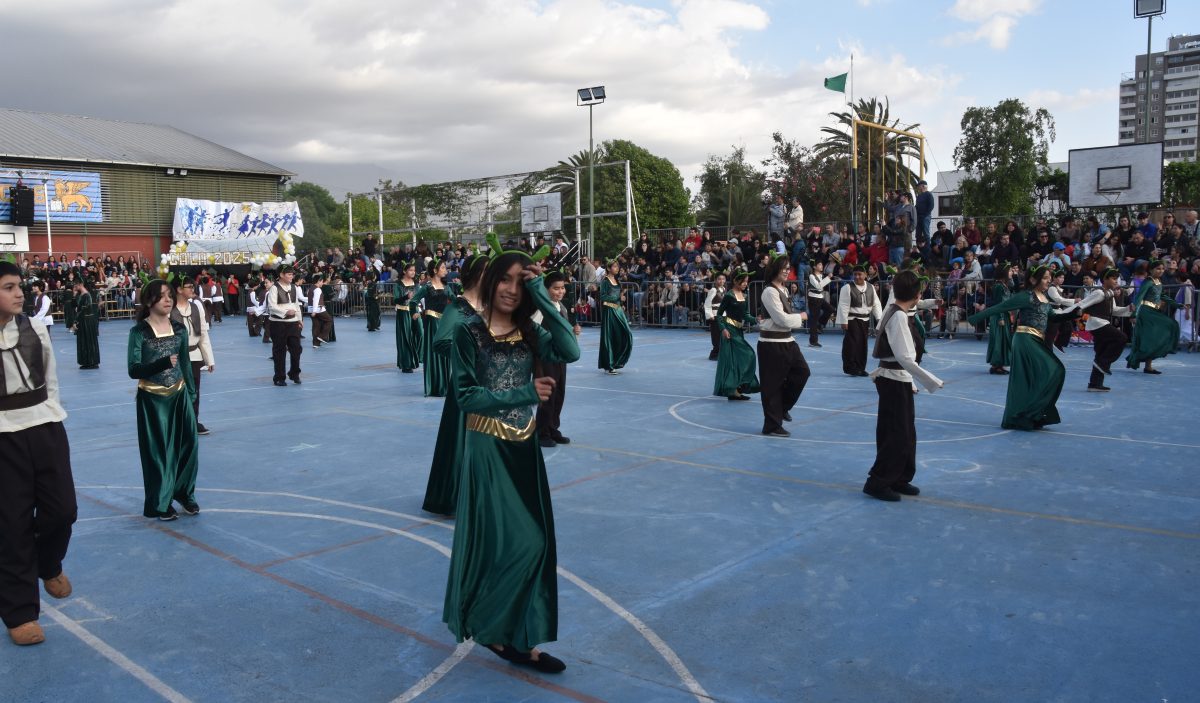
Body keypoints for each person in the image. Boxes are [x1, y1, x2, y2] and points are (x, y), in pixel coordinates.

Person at [442, 250, 580, 674]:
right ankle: (498, 629)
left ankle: (515, 638)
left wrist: (541, 294)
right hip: (486, 449)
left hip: (523, 448)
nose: (512, 289)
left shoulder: (527, 330)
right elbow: (465, 397)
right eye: (507, 279)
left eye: (522, 282)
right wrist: (522, 394)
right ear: (491, 280)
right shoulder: (467, 331)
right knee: (520, 544)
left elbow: (570, 350)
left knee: (535, 545)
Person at [0, 261, 76, 646]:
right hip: (2, 436)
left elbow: (52, 380)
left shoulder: (36, 329)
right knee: (11, 526)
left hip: (44, 425)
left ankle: (48, 564)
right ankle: (20, 613)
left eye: (19, 286)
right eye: (9, 287)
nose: (19, 294)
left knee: (63, 509)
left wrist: (53, 419)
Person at [862, 270, 944, 502]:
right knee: (896, 432)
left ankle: (899, 477)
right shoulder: (897, 316)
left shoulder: (894, 310)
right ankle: (878, 481)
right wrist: (930, 380)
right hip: (893, 378)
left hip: (896, 378)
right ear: (918, 295)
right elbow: (906, 357)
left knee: (904, 431)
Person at [967, 267, 1078, 430]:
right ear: (1033, 280)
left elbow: (1053, 317)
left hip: (1036, 339)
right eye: (1046, 278)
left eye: (1049, 278)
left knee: (1037, 376)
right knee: (1054, 369)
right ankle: (1023, 415)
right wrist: (974, 318)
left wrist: (1075, 313)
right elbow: (1000, 307)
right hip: (1025, 339)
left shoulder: (1044, 298)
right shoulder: (1026, 296)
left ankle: (1032, 414)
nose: (1049, 280)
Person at [127, 279, 199, 521]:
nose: (168, 300)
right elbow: (133, 370)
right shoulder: (139, 332)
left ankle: (184, 492)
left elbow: (186, 365)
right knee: (160, 451)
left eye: (170, 295)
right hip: (153, 400)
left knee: (189, 445)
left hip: (179, 394)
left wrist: (190, 393)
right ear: (149, 301)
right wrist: (161, 362)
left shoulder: (179, 329)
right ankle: (160, 501)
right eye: (162, 296)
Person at [422, 254, 488, 516]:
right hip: (467, 384)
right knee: (464, 441)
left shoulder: (493, 304)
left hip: (492, 384)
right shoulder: (458, 308)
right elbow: (440, 342)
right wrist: (472, 351)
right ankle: (458, 495)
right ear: (476, 276)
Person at [757, 255, 810, 437]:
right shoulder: (770, 292)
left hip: (787, 340)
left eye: (789, 268)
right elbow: (781, 319)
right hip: (771, 343)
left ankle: (782, 408)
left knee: (802, 372)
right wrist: (801, 317)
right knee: (772, 385)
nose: (788, 271)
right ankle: (772, 425)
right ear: (775, 269)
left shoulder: (784, 290)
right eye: (784, 268)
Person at [534, 269, 580, 447]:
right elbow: (533, 331)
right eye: (556, 288)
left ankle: (553, 427)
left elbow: (564, 332)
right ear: (546, 290)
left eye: (562, 288)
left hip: (560, 357)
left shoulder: (562, 308)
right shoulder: (540, 309)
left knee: (559, 392)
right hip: (546, 357)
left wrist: (573, 331)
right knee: (547, 394)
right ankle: (542, 431)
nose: (560, 292)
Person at [1126, 260, 1190, 374]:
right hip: (1146, 312)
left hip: (1154, 311)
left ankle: (1148, 366)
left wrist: (1177, 304)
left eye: (1162, 269)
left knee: (1155, 336)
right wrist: (1134, 314)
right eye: (1158, 269)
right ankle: (1147, 365)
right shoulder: (1148, 281)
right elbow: (1139, 297)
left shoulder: (1158, 281)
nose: (1161, 271)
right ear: (1151, 270)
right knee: (1163, 330)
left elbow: (1163, 295)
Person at [170, 278, 215, 436]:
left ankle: (193, 421)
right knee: (175, 390)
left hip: (194, 356)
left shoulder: (197, 307)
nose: (192, 289)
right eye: (189, 287)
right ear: (179, 289)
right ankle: (177, 423)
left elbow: (203, 334)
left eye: (193, 286)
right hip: (175, 357)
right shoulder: (169, 308)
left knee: (194, 390)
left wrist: (209, 359)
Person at [1076, 269, 1133, 392]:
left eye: (1116, 278)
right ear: (1105, 279)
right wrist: (1066, 312)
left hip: (1101, 323)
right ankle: (1103, 363)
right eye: (1113, 278)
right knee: (1121, 338)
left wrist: (1129, 309)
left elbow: (1114, 310)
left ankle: (1095, 384)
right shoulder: (1099, 293)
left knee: (1101, 351)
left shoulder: (1109, 294)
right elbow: (1083, 304)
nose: (1116, 281)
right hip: (1097, 323)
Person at [410, 260, 457, 397]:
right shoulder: (427, 287)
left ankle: (445, 386)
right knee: (433, 353)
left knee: (445, 352)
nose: (445, 270)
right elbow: (414, 301)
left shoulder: (446, 287)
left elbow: (455, 302)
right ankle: (434, 387)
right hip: (431, 323)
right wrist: (414, 312)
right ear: (435, 270)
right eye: (443, 268)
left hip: (445, 323)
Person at [713, 271, 759, 401]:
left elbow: (745, 315)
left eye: (747, 281)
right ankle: (734, 389)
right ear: (736, 281)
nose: (745, 284)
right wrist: (723, 329)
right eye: (743, 281)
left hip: (739, 331)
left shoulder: (744, 295)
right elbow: (719, 314)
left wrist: (756, 320)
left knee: (737, 361)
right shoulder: (729, 296)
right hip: (730, 331)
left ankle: (734, 390)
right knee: (749, 354)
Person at [835, 264, 882, 376]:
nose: (857, 277)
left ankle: (861, 367)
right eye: (855, 274)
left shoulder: (870, 287)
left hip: (865, 320)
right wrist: (844, 321)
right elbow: (843, 305)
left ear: (865, 275)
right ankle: (850, 367)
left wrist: (879, 319)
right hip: (852, 319)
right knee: (852, 344)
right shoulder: (847, 288)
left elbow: (876, 304)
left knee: (863, 344)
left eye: (859, 274)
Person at [267, 266, 303, 386]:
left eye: (292, 274)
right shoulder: (274, 288)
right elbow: (271, 306)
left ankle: (294, 373)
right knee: (279, 351)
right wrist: (285, 312)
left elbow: (296, 305)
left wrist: (299, 318)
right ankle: (279, 377)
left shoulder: (294, 287)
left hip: (293, 323)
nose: (292, 276)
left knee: (296, 349)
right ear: (281, 275)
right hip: (278, 324)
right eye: (289, 274)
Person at [598, 259, 632, 374]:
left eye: (617, 267)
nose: (617, 269)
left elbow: (618, 295)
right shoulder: (605, 281)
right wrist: (618, 299)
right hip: (610, 311)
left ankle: (617, 360)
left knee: (624, 334)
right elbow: (603, 297)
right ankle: (610, 364)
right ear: (608, 268)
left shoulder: (617, 280)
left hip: (618, 310)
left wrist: (621, 304)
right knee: (610, 337)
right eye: (614, 267)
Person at [983, 264, 1018, 375]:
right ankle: (995, 365)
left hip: (1004, 315)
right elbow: (998, 303)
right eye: (1009, 271)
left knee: (1003, 340)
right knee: (998, 341)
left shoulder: (1004, 285)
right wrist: (1001, 317)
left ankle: (1000, 365)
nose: (1011, 272)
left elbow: (1013, 286)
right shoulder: (999, 286)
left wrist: (1012, 277)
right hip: (999, 316)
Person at [393, 263, 422, 373]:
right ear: (405, 271)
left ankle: (417, 357)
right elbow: (395, 300)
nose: (413, 272)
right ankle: (406, 364)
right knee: (406, 338)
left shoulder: (416, 284)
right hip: (403, 313)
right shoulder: (399, 284)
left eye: (414, 270)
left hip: (415, 312)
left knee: (420, 334)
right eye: (410, 270)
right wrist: (406, 296)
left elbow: (420, 297)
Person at [71, 279, 99, 369]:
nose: (75, 288)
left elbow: (82, 310)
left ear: (80, 285)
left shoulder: (86, 296)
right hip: (83, 320)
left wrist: (75, 321)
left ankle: (91, 362)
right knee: (84, 341)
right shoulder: (80, 295)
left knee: (88, 341)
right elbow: (74, 306)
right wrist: (74, 296)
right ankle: (86, 361)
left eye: (76, 286)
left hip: (87, 321)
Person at [805, 260, 834, 348]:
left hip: (820, 297)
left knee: (830, 309)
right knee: (814, 319)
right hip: (813, 298)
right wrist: (828, 278)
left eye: (822, 264)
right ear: (814, 267)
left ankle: (820, 324)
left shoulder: (821, 275)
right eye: (819, 264)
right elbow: (818, 286)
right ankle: (813, 341)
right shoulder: (811, 276)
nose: (821, 266)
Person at [703, 274, 727, 361]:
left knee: (722, 335)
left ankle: (721, 352)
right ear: (716, 280)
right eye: (719, 279)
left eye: (723, 279)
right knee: (716, 335)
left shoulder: (724, 289)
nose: (721, 281)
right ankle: (714, 354)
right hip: (715, 315)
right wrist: (710, 315)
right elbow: (707, 303)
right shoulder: (713, 290)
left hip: (723, 315)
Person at [308, 273, 334, 347]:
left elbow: (310, 299)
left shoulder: (311, 288)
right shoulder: (317, 289)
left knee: (316, 326)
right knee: (329, 320)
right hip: (318, 309)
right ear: (319, 281)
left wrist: (313, 311)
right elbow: (316, 300)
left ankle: (316, 344)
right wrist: (315, 311)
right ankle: (322, 336)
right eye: (322, 281)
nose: (322, 283)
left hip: (311, 309)